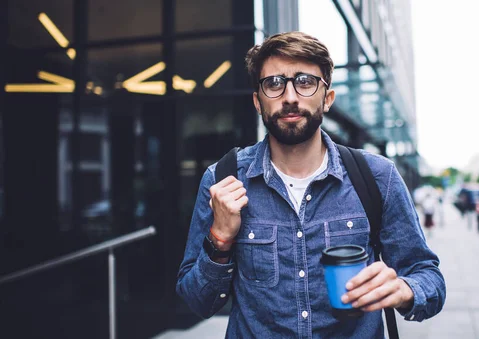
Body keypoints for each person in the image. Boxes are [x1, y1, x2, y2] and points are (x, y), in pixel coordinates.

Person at [176, 31, 445, 338]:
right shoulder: (222, 180)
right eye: (274, 83)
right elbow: (197, 300)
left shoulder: (377, 176)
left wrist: (404, 289)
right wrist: (220, 240)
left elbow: (429, 278)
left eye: (304, 82)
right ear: (258, 102)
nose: (290, 97)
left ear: (327, 98)